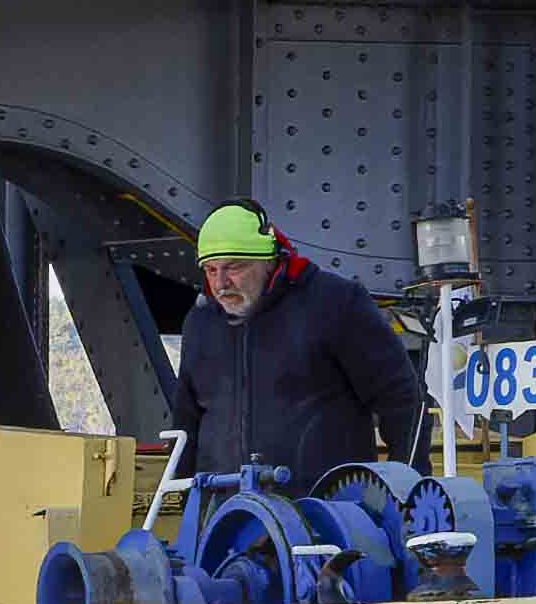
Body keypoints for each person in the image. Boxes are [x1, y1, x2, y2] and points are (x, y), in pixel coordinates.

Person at [166, 205, 430, 481]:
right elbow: (187, 420)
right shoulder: (201, 322)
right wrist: (184, 497)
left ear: (269, 261)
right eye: (210, 269)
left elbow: (401, 400)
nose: (220, 284)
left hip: (327, 510)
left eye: (234, 267)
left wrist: (407, 486)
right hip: (224, 513)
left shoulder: (335, 304)